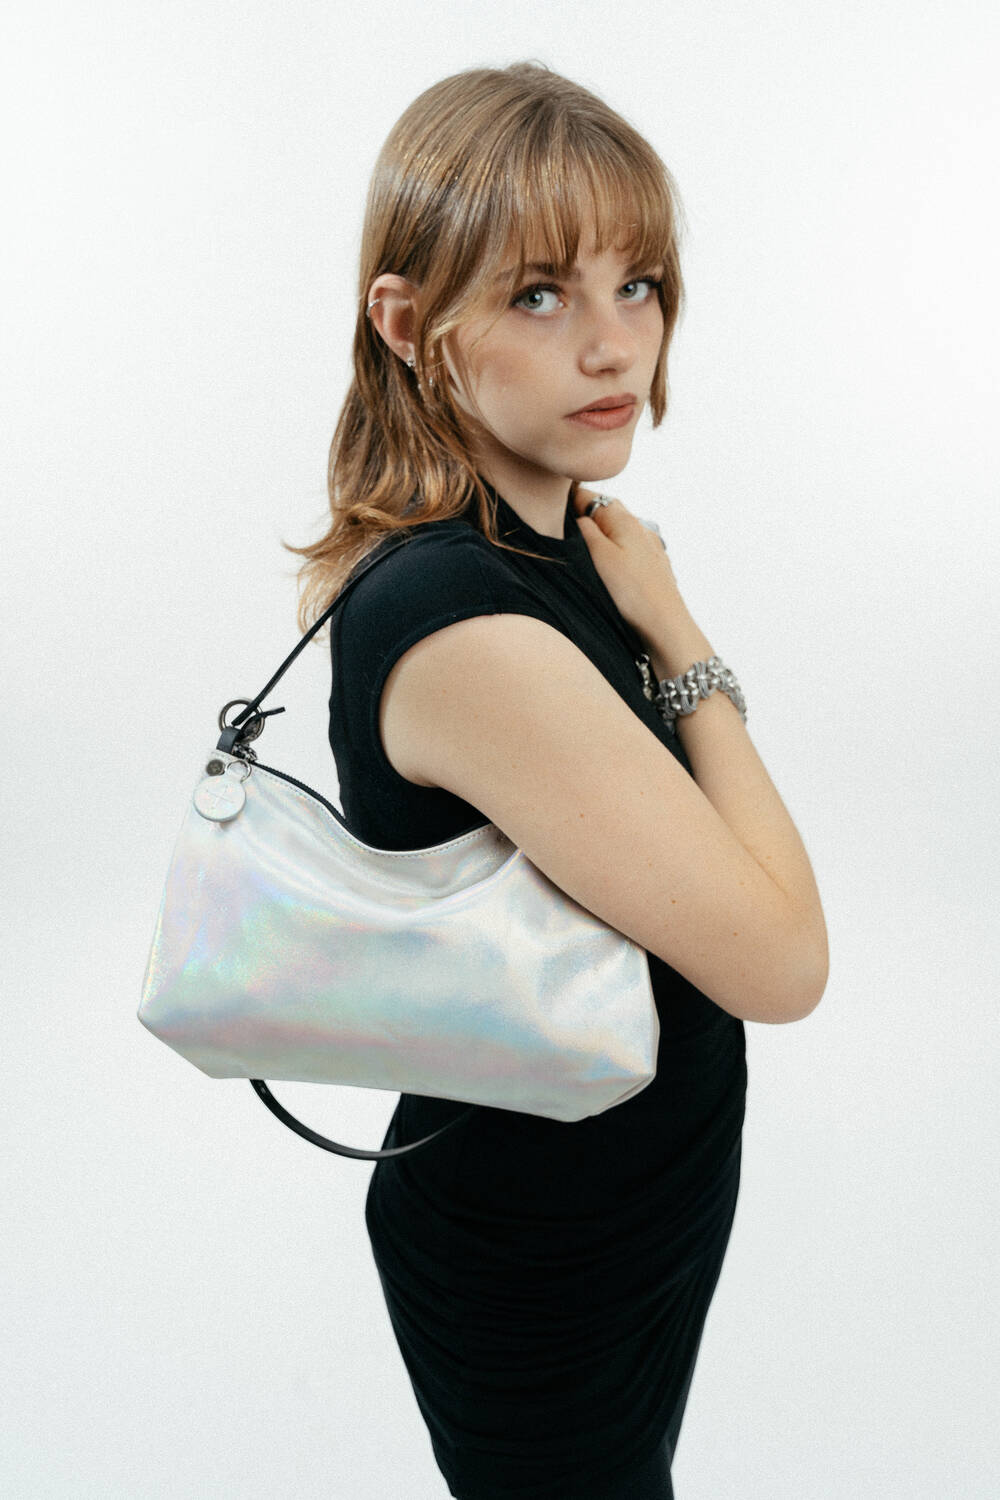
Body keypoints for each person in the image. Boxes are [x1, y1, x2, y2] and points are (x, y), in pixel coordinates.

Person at [289, 60, 829, 1500]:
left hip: (621, 1192)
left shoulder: (542, 553)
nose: (613, 348)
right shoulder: (472, 621)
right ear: (409, 323)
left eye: (636, 285)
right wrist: (684, 633)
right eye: (539, 293)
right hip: (546, 1249)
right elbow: (782, 959)